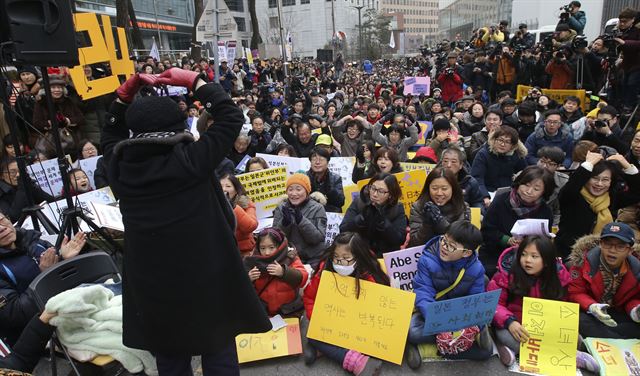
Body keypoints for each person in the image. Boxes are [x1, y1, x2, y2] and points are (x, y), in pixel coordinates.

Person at [101, 70, 271, 374]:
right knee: (218, 349)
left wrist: (121, 100)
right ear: (179, 127)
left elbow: (110, 136)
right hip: (205, 273)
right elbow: (231, 116)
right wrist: (195, 81)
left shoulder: (118, 166)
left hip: (152, 281)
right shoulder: (194, 159)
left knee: (169, 355)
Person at [487, 235, 599, 372]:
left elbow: (562, 305)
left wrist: (561, 327)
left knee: (576, 337)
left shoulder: (559, 276)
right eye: (523, 254)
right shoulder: (507, 272)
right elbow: (493, 304)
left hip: (544, 326)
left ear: (546, 261)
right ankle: (569, 357)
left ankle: (515, 351)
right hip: (515, 324)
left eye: (534, 256)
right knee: (505, 335)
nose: (527, 260)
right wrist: (510, 322)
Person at [405, 220, 491, 369]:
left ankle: (430, 348)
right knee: (413, 331)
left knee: (487, 351)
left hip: (458, 315)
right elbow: (423, 293)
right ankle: (450, 345)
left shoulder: (476, 269)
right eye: (444, 240)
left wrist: (470, 326)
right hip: (433, 311)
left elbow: (476, 302)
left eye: (451, 246)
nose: (444, 247)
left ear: (466, 253)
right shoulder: (427, 259)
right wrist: (439, 322)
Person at [302, 232, 389, 374]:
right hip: (331, 321)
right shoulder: (324, 271)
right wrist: (317, 318)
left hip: (359, 325)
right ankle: (356, 361)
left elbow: (377, 307)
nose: (340, 262)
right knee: (312, 334)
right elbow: (309, 298)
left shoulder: (367, 274)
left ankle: (326, 350)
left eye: (346, 258)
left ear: (358, 257)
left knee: (377, 341)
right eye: (336, 257)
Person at [0, 209, 86, 346]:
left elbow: (65, 276)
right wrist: (43, 275)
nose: (2, 228)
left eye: (2, 220)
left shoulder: (30, 240)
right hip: (40, 330)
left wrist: (64, 258)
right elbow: (16, 314)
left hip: (71, 306)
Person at [556, 151, 640, 259]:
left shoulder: (611, 198)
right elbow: (570, 187)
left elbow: (637, 192)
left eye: (605, 180)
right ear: (586, 178)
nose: (599, 184)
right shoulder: (574, 196)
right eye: (595, 178)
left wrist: (627, 166)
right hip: (570, 256)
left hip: (602, 258)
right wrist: (588, 164)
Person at [568, 222, 640, 339]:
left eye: (620, 246)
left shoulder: (636, 269)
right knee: (580, 321)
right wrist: (592, 306)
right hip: (591, 313)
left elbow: (633, 299)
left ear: (630, 251)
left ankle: (608, 337)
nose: (612, 250)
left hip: (617, 314)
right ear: (600, 244)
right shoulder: (582, 262)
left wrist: (635, 310)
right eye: (607, 244)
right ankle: (617, 339)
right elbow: (575, 292)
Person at [480, 166, 555, 276]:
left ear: (544, 192)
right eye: (526, 185)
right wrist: (508, 240)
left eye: (536, 189)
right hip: (494, 253)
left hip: (527, 258)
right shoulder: (501, 200)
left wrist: (527, 243)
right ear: (519, 183)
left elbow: (543, 240)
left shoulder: (545, 211)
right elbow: (487, 231)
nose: (529, 191)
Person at [244, 227, 308, 316]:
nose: (267, 252)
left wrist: (284, 272)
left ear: (280, 245)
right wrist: (249, 278)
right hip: (263, 312)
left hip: (289, 312)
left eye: (271, 247)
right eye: (262, 248)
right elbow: (241, 287)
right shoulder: (252, 261)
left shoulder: (289, 258)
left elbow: (303, 278)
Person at [340, 173, 406, 257]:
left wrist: (383, 223)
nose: (374, 194)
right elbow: (343, 229)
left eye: (381, 191)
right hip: (359, 254)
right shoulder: (359, 202)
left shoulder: (397, 208)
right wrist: (361, 219)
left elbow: (399, 239)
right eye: (373, 188)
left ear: (390, 195)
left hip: (384, 257)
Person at [273, 173, 327, 269]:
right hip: (289, 257)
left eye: (298, 189)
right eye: (290, 189)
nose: (294, 193)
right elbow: (274, 238)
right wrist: (285, 223)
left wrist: (301, 220)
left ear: (307, 191)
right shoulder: (281, 208)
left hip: (313, 257)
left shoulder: (318, 208)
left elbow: (318, 238)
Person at [409, 168, 470, 247]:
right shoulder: (418, 206)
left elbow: (461, 240)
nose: (439, 193)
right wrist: (427, 223)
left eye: (444, 189)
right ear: (428, 188)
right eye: (434, 188)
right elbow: (415, 241)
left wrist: (440, 220)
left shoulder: (463, 207)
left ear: (453, 189)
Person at [470, 126, 527, 200]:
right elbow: (477, 178)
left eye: (507, 142)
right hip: (488, 191)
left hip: (509, 192)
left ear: (513, 146)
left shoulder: (516, 155)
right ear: (494, 140)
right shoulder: (483, 154)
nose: (502, 144)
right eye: (500, 140)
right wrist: (485, 196)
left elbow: (525, 172)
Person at [0, 157, 54, 222]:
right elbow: (13, 218)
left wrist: (31, 186)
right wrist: (22, 189)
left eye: (21, 171)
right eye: (12, 172)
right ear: (2, 175)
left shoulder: (27, 183)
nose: (18, 175)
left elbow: (51, 201)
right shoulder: (2, 193)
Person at [220, 173, 257, 256]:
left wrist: (233, 208)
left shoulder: (246, 203)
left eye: (228, 186)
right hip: (222, 252)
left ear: (236, 190)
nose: (223, 189)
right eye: (220, 186)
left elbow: (250, 226)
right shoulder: (213, 205)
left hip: (243, 252)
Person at [534, 146, 569, 226]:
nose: (545, 166)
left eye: (551, 164)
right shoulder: (524, 175)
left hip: (549, 222)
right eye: (542, 161)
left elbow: (559, 211)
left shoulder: (564, 182)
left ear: (558, 166)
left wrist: (553, 227)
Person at [306, 147, 344, 213]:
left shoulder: (335, 178)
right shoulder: (304, 177)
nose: (317, 162)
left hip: (329, 214)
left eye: (321, 159)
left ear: (327, 162)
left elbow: (340, 202)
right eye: (314, 159)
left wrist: (329, 188)